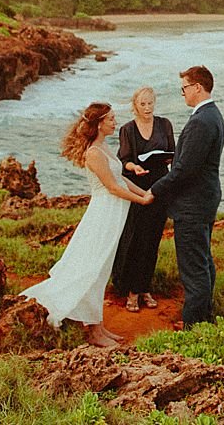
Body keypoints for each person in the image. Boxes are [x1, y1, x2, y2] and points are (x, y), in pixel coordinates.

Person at [20, 102, 154, 347]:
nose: (116, 122)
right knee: (94, 268)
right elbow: (113, 187)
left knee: (102, 269)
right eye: (111, 119)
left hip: (113, 213)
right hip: (103, 215)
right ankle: (93, 332)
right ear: (100, 123)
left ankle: (99, 327)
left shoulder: (103, 147)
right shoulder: (93, 153)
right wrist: (141, 201)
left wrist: (144, 192)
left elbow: (121, 179)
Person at [148, 65, 224, 328]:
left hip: (193, 204)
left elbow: (184, 172)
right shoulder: (212, 116)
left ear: (197, 87)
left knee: (194, 269)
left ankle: (193, 328)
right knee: (202, 260)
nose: (182, 93)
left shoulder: (200, 121)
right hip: (205, 198)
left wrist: (155, 190)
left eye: (184, 88)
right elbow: (192, 161)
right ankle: (205, 319)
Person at [111, 86, 175, 311]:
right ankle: (131, 291)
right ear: (135, 106)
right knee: (136, 240)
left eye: (150, 103)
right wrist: (134, 166)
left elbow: (171, 153)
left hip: (159, 185)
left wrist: (164, 159)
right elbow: (124, 160)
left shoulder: (164, 124)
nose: (147, 108)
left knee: (152, 240)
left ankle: (145, 288)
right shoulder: (127, 129)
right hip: (137, 185)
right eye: (143, 104)